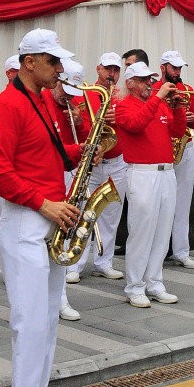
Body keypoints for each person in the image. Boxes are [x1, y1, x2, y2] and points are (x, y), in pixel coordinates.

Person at [0, 28, 83, 387]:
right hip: (28, 220)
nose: (59, 69)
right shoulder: (8, 104)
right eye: (53, 61)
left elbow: (45, 152)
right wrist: (45, 203)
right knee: (30, 328)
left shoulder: (42, 99)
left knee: (46, 325)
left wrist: (83, 148)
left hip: (48, 218)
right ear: (30, 62)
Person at [115, 61, 183, 308]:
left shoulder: (160, 104)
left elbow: (176, 131)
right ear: (130, 83)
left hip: (166, 172)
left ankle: (154, 282)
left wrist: (177, 109)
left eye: (150, 79)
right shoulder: (123, 106)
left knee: (162, 232)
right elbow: (135, 124)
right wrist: (159, 99)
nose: (149, 84)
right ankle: (134, 286)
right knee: (141, 232)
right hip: (142, 173)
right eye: (143, 80)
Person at [66, 51, 126, 283]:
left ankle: (104, 262)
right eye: (108, 69)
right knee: (82, 213)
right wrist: (84, 123)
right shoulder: (84, 94)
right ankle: (76, 262)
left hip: (116, 161)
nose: (112, 74)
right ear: (98, 69)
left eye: (116, 70)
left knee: (111, 215)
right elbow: (80, 129)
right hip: (90, 163)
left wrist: (118, 118)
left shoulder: (122, 96)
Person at [42, 61, 89, 321]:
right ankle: (48, 299)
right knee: (48, 242)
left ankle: (60, 298)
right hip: (50, 177)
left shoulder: (73, 105)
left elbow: (83, 140)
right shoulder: (45, 103)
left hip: (71, 173)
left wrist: (80, 123)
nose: (69, 99)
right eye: (66, 93)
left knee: (65, 238)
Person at [159, 50, 194, 269]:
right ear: (163, 68)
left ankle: (181, 251)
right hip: (163, 148)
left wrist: (192, 118)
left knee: (183, 201)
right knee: (162, 202)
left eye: (179, 68)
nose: (177, 72)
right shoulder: (155, 90)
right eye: (173, 67)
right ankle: (159, 250)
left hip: (185, 147)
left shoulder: (187, 90)